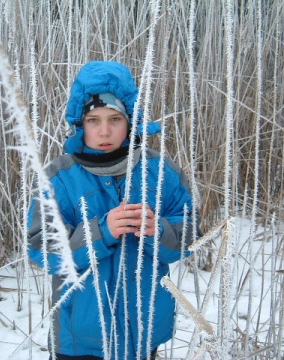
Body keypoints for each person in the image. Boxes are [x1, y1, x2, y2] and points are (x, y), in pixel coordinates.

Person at [28, 60, 201, 360]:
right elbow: (42, 247)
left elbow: (190, 233)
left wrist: (158, 231)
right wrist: (101, 232)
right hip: (80, 339)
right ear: (80, 123)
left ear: (130, 120)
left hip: (143, 333)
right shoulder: (60, 178)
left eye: (115, 119)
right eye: (94, 120)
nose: (105, 131)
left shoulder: (159, 172)